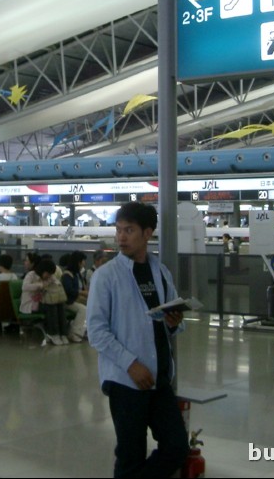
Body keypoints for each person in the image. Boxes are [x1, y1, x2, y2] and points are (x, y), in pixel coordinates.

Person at [87, 202, 189, 478]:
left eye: (129, 230)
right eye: (118, 230)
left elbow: (165, 322)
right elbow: (96, 330)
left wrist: (173, 323)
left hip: (159, 377)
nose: (121, 237)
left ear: (147, 233)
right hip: (126, 380)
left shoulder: (161, 272)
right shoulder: (106, 276)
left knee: (177, 447)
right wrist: (130, 364)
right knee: (130, 454)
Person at [21, 257, 69, 345]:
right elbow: (25, 286)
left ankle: (63, 333)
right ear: (42, 270)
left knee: (59, 305)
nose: (48, 276)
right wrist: (40, 285)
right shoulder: (31, 275)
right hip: (31, 304)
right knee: (51, 306)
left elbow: (57, 282)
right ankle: (53, 333)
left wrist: (54, 283)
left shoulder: (49, 277)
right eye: (47, 273)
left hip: (42, 301)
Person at [61, 251, 87, 342]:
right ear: (78, 262)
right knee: (83, 309)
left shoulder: (77, 274)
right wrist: (81, 293)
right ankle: (74, 333)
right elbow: (68, 290)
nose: (84, 263)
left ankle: (82, 331)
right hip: (69, 301)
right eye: (83, 261)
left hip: (76, 300)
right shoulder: (67, 275)